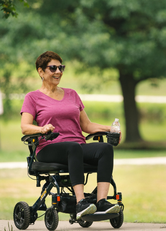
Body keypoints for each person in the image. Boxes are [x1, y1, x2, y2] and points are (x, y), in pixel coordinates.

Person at [20, 51, 121, 220]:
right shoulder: (33, 98)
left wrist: (109, 129)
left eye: (61, 67)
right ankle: (81, 203)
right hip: (48, 148)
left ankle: (101, 201)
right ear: (41, 71)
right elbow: (25, 127)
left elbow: (86, 125)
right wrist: (42, 129)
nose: (58, 72)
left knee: (105, 148)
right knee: (73, 148)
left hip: (76, 147)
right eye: (53, 68)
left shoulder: (72, 94)